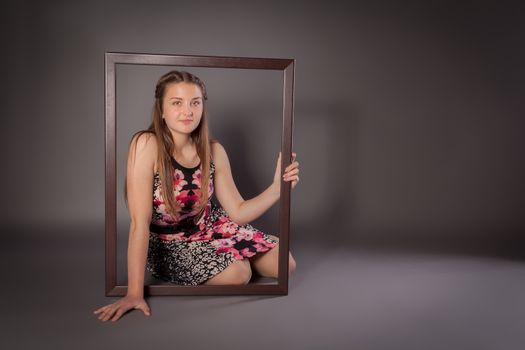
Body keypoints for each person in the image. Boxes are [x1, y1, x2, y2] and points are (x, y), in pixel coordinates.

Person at [93, 70, 300, 322]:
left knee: (286, 264)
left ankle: (231, 254)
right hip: (170, 245)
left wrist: (277, 188)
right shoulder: (146, 145)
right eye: (176, 103)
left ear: (203, 107)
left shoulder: (214, 150)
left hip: (212, 229)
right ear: (161, 110)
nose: (187, 111)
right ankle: (233, 259)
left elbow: (237, 211)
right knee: (238, 275)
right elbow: (139, 223)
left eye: (195, 102)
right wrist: (134, 293)